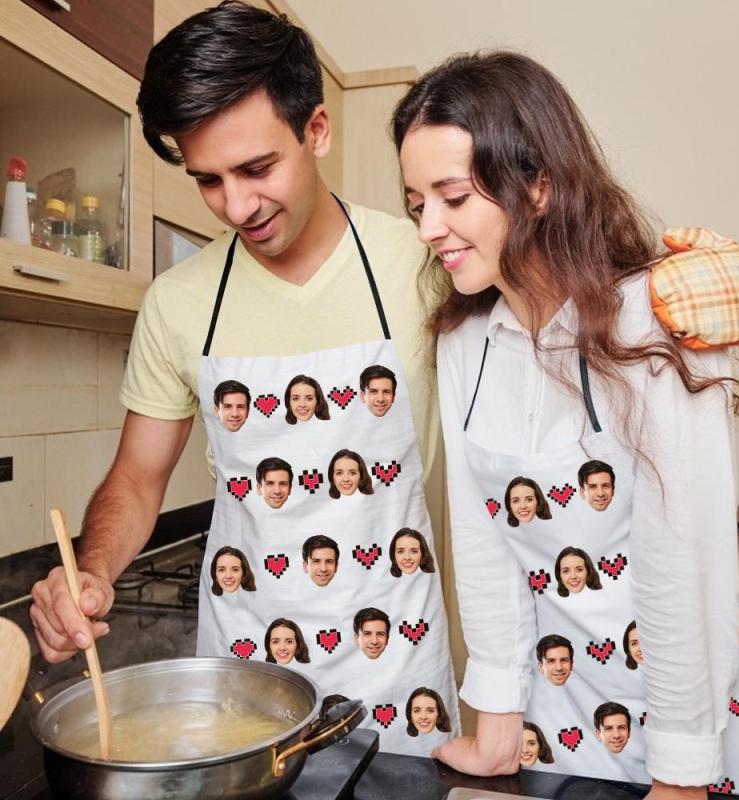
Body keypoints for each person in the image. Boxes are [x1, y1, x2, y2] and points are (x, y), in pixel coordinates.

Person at [28, 0, 458, 757]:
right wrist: (90, 572)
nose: (237, 206)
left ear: (316, 130)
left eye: (257, 169)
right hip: (246, 677)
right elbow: (137, 480)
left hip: (397, 670)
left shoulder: (422, 265)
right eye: (209, 180)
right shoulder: (178, 303)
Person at [393, 49, 739, 792]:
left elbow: (686, 560)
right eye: (418, 203)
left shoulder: (658, 319)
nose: (428, 227)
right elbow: (484, 545)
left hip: (700, 717)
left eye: (452, 197)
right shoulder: (463, 339)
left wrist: (680, 776)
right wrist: (497, 727)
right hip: (565, 709)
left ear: (539, 186)